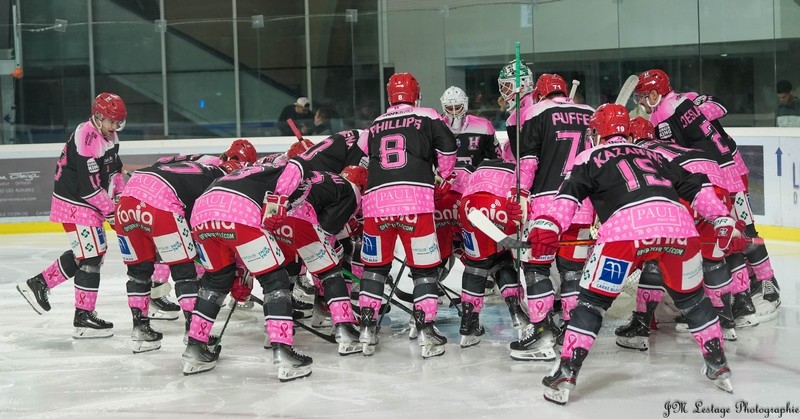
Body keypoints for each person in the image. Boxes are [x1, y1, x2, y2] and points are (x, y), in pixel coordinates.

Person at [535, 103, 739, 405]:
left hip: (625, 233)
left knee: (591, 304)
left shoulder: (589, 156)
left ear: (597, 132)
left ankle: (565, 373)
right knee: (694, 300)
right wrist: (722, 218)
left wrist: (548, 226)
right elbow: (695, 186)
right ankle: (719, 366)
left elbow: (569, 196)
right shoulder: (655, 155)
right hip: (678, 228)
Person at [634, 69, 779, 324]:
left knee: (729, 236)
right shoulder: (686, 98)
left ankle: (762, 286)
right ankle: (756, 285)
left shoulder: (663, 115)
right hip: (733, 167)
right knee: (742, 230)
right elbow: (719, 108)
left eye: (644, 96)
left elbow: (674, 153)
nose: (642, 103)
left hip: (715, 177)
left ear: (655, 93)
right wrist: (699, 104)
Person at [114, 140, 256, 353]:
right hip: (161, 203)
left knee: (138, 272)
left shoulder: (201, 161)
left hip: (128, 197)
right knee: (184, 272)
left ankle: (140, 329)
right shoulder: (223, 182)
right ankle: (194, 332)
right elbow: (205, 232)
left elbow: (162, 164)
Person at [614, 117, 743, 349]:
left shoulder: (638, 153)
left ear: (632, 138)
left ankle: (641, 325)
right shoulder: (675, 146)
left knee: (655, 256)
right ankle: (726, 322)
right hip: (718, 192)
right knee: (713, 261)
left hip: (688, 193)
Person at [357, 72, 457, 358]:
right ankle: (426, 331)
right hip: (415, 202)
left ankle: (366, 328)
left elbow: (362, 157)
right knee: (424, 271)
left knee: (374, 269)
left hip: (376, 205)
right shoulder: (428, 115)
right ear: (416, 94)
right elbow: (449, 149)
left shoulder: (376, 123)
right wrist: (443, 175)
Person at [184, 164, 312, 381]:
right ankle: (283, 351)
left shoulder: (248, 173)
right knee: (275, 279)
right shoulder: (286, 168)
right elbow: (297, 168)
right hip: (238, 212)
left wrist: (243, 273)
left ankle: (194, 349)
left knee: (215, 280)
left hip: (201, 215)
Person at [16, 93, 126, 338]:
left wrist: (121, 196)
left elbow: (115, 168)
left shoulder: (109, 133)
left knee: (90, 253)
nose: (116, 127)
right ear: (98, 117)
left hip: (87, 203)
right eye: (112, 122)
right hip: (76, 203)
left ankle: (41, 284)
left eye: (119, 123)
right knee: (92, 254)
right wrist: (111, 213)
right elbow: (88, 189)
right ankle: (82, 317)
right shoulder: (87, 139)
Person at [508, 73, 596, 361]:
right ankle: (573, 331)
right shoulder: (590, 113)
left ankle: (543, 331)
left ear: (540, 93)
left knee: (537, 269)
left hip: (547, 206)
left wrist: (519, 193)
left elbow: (529, 161)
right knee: (572, 272)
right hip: (581, 205)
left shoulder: (534, 112)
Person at [263, 167, 367, 356]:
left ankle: (273, 333)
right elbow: (327, 234)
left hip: (272, 217)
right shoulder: (352, 190)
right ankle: (345, 332)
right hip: (299, 218)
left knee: (283, 274)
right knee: (331, 271)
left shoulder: (323, 176)